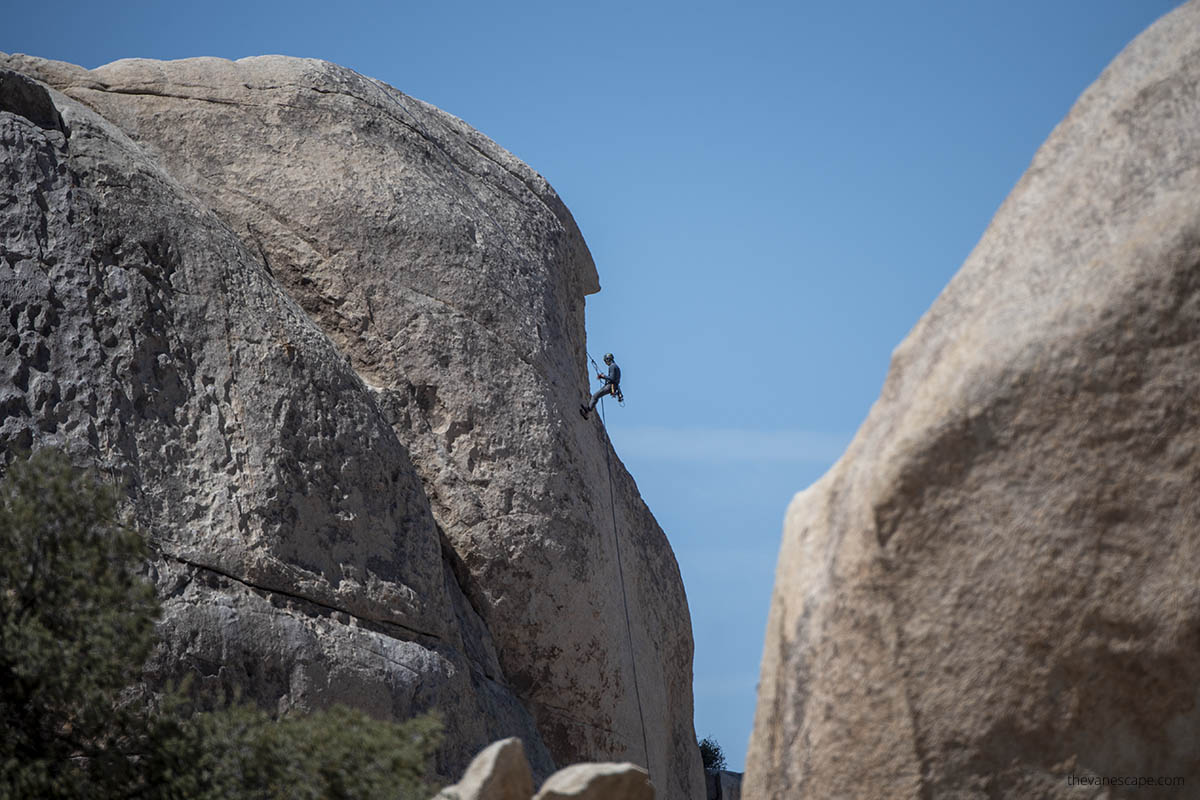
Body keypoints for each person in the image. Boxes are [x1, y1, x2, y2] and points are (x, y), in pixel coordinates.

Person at [580, 353, 621, 419]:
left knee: (595, 396)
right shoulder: (616, 366)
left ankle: (587, 410)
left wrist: (603, 376)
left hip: (610, 386)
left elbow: (612, 378)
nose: (605, 363)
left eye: (605, 361)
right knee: (596, 396)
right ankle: (588, 410)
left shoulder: (612, 366)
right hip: (613, 386)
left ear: (608, 359)